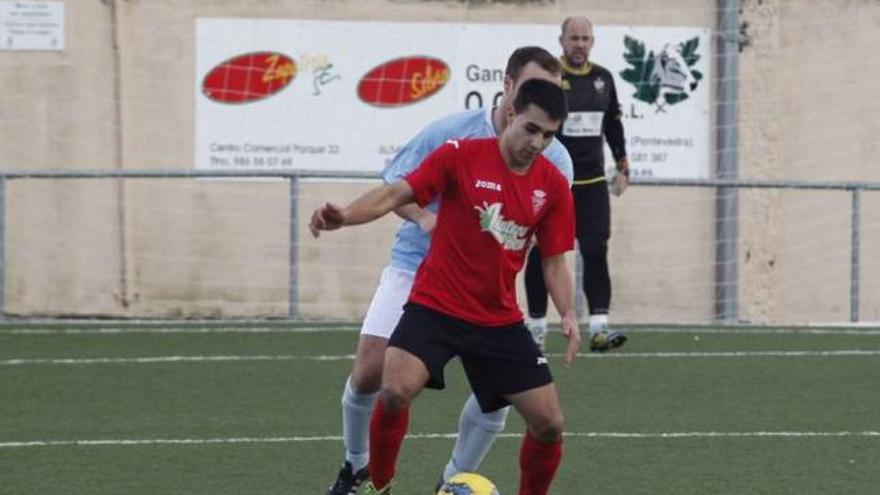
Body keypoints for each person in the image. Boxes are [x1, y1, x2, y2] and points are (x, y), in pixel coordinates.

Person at [311, 78, 580, 495]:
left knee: (550, 424)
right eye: (531, 129)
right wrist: (345, 215)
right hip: (435, 304)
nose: (538, 142)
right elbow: (395, 193)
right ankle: (378, 486)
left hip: (498, 318)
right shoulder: (461, 155)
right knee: (395, 389)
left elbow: (554, 260)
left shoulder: (553, 186)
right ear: (510, 114)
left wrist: (567, 311)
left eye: (549, 134)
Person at [524, 16, 629, 353]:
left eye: (585, 38)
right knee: (543, 252)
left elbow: (613, 124)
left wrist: (622, 162)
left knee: (596, 250)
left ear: (592, 42)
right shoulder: (551, 78)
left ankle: (599, 328)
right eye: (574, 38)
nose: (579, 44)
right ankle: (536, 329)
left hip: (594, 181)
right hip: (553, 181)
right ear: (562, 40)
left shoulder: (603, 79)